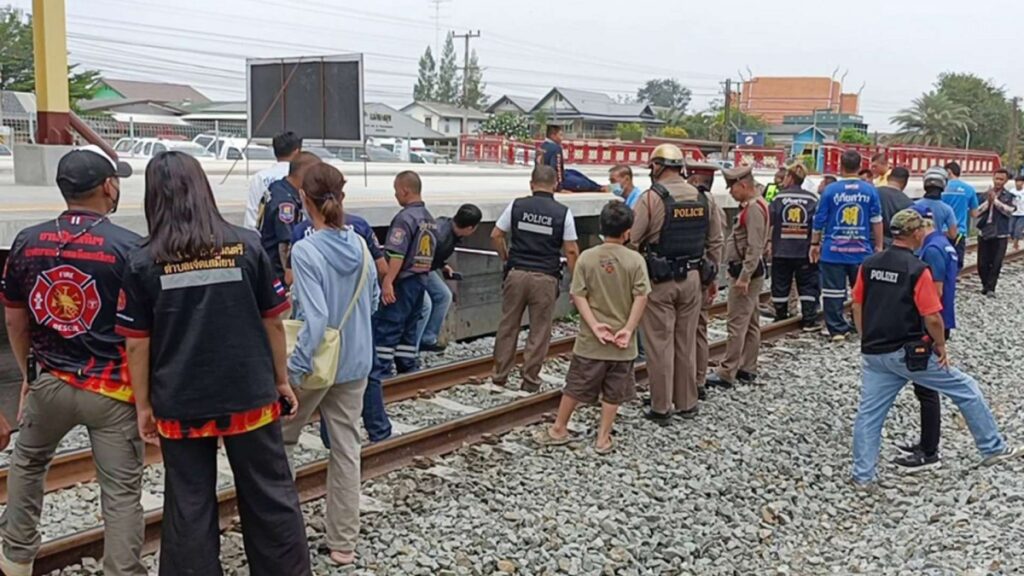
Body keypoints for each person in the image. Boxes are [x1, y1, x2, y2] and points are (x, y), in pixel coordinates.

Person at [117, 152, 310, 576]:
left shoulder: (142, 261)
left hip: (180, 400)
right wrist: (281, 381)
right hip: (249, 393)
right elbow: (273, 323)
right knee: (269, 493)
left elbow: (137, 345)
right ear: (203, 188)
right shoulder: (247, 245)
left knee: (188, 501)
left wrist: (144, 405)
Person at [0, 147, 145, 576]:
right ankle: (122, 570)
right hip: (112, 389)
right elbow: (141, 333)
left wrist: (29, 373)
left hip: (50, 381)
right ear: (108, 187)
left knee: (27, 463)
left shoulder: (27, 241)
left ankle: (15, 557)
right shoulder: (129, 247)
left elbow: (15, 317)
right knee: (119, 492)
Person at [850, 208, 1021, 488]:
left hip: (875, 353)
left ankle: (863, 476)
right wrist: (940, 345)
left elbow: (857, 303)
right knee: (966, 389)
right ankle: (993, 448)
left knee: (869, 415)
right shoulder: (917, 270)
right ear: (916, 233)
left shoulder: (869, 264)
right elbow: (931, 316)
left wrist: (864, 337)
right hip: (909, 354)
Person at [280, 163, 378, 567]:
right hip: (355, 361)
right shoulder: (359, 244)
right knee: (346, 448)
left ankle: (284, 535)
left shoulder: (306, 249)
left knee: (282, 441)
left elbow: (316, 318)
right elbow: (371, 301)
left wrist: (294, 371)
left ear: (305, 198)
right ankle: (343, 544)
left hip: (317, 362)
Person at [536, 202, 650, 453]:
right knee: (614, 392)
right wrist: (629, 329)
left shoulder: (587, 257)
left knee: (575, 385)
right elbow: (641, 297)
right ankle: (602, 438)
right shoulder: (635, 260)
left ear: (602, 227)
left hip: (591, 340)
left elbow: (578, 295)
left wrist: (595, 326)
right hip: (622, 343)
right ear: (627, 231)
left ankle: (559, 428)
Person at [630, 145, 724, 422]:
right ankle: (687, 402)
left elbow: (633, 240)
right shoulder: (703, 198)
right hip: (694, 278)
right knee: (686, 341)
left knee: (660, 344)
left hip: (660, 280)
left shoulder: (650, 199)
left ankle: (661, 406)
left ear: (658, 166)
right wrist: (712, 279)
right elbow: (715, 241)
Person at [491, 165, 579, 392]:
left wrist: (506, 257)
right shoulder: (563, 213)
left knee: (508, 325)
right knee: (539, 330)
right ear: (555, 185)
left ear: (531, 184)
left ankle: (499, 378)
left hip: (517, 273)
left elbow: (496, 234)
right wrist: (576, 281)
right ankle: (529, 381)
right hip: (545, 278)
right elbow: (571, 250)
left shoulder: (517, 205)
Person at [366, 171, 437, 441]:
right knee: (409, 327)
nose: (395, 194)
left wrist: (388, 283)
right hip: (421, 280)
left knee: (388, 326)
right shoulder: (429, 218)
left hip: (404, 280)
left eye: (396, 190)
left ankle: (383, 371)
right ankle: (407, 364)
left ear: (406, 191)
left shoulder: (404, 218)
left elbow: (395, 254)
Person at [891, 204, 959, 472]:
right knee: (925, 387)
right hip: (942, 321)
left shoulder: (930, 249)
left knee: (927, 388)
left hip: (931, 326)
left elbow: (935, 292)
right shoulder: (944, 243)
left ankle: (929, 451)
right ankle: (925, 444)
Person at [706, 166, 770, 389]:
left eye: (732, 188)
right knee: (751, 322)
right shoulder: (758, 204)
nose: (730, 193)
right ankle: (747, 367)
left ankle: (726, 370)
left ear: (743, 185)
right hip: (751, 272)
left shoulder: (753, 209)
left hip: (744, 273)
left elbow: (754, 247)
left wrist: (744, 276)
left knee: (736, 323)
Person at [810, 150, 883, 341]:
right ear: (860, 167)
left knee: (833, 292)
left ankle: (837, 330)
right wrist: (879, 246)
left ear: (840, 166)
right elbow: (876, 220)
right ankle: (861, 325)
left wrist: (814, 244)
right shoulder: (869, 190)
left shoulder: (830, 190)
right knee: (862, 291)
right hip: (861, 251)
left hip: (833, 251)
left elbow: (819, 221)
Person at [685, 160, 727, 399]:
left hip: (691, 273)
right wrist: (713, 277)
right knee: (699, 329)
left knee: (685, 330)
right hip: (703, 273)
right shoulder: (712, 204)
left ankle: (688, 381)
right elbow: (716, 244)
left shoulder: (684, 200)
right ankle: (698, 379)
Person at [416, 204, 482, 353]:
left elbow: (433, 257)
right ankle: (412, 347)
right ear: (471, 228)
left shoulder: (447, 227)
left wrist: (443, 265)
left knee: (444, 296)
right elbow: (421, 257)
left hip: (428, 266)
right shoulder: (441, 236)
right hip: (416, 269)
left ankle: (428, 339)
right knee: (425, 305)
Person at [768, 163, 820, 330]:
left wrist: (768, 243)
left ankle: (781, 316)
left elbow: (769, 222)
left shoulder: (778, 198)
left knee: (780, 283)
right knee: (807, 284)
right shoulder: (812, 199)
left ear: (790, 177)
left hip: (781, 250)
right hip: (804, 251)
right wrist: (815, 244)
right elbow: (817, 225)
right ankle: (809, 320)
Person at [259, 151, 322, 285]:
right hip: (278, 275)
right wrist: (291, 281)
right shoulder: (286, 204)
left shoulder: (278, 187)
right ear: (306, 174)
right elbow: (285, 246)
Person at [244, 131, 302, 229]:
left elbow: (252, 215)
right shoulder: (300, 176)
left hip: (264, 239)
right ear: (297, 152)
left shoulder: (260, 178)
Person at [976, 168, 1016, 296]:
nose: (998, 182)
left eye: (1001, 179)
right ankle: (985, 284)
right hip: (985, 231)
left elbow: (1010, 211)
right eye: (996, 178)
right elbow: (976, 211)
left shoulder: (1009, 196)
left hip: (1000, 233)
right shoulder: (984, 194)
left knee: (996, 262)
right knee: (982, 263)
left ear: (1006, 181)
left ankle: (991, 288)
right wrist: (989, 202)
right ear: (993, 178)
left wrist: (996, 202)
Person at [941, 161, 979, 269]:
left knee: (941, 263)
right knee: (956, 264)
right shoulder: (969, 189)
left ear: (949, 172)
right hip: (959, 232)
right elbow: (974, 213)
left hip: (942, 232)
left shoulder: (941, 188)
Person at [913, 166, 959, 243]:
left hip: (915, 251)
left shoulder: (913, 206)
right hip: (934, 248)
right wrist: (939, 234)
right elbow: (953, 234)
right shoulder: (947, 209)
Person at [874, 166, 913, 246]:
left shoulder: (873, 193)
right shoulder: (907, 203)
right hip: (892, 246)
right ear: (905, 183)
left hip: (871, 242)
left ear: (888, 178)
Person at [538, 124, 565, 192]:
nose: (562, 138)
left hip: (539, 181)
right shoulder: (556, 148)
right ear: (553, 136)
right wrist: (559, 187)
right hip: (549, 182)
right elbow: (556, 167)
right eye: (560, 135)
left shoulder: (541, 147)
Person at [1010, 172, 1024, 251]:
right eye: (1016, 182)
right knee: (1011, 229)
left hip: (1022, 214)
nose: (1018, 183)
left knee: (1018, 229)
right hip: (1013, 213)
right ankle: (1014, 240)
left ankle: (1015, 244)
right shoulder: (1012, 191)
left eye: (1020, 182)